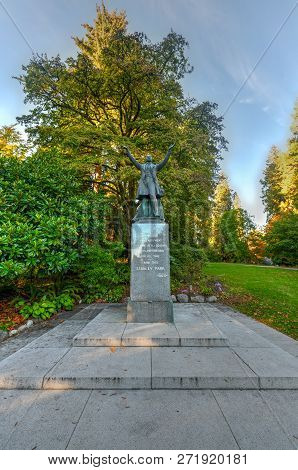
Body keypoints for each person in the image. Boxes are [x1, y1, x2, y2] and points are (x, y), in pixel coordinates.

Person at [123, 144, 175, 218]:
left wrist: (169, 151)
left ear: (151, 159)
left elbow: (164, 162)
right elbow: (134, 161)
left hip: (152, 182)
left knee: (152, 196)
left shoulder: (155, 166)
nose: (148, 157)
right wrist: (128, 153)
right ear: (146, 159)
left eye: (150, 157)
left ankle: (156, 213)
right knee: (144, 199)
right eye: (147, 157)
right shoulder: (142, 166)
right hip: (144, 183)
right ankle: (143, 216)